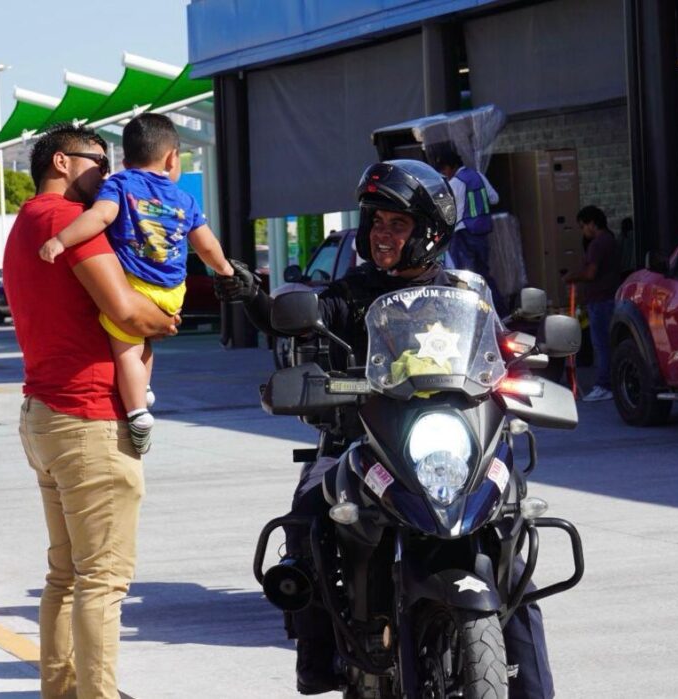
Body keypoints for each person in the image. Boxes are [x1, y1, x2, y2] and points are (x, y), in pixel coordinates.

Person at [217, 159, 555, 698]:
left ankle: (535, 690)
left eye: (397, 224)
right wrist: (251, 294)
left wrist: (524, 350)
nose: (382, 234)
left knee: (511, 548)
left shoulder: (467, 292)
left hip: (453, 444)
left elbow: (497, 350)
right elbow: (292, 318)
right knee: (309, 509)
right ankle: (317, 654)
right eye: (377, 222)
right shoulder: (354, 291)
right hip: (361, 438)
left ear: (430, 232)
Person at [3, 122, 179, 699]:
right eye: (98, 162)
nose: (109, 174)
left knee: (66, 576)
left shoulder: (27, 222)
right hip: (88, 419)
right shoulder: (64, 220)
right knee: (103, 581)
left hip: (46, 414)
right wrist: (166, 320)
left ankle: (61, 692)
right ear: (62, 161)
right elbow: (127, 311)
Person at [38, 113, 234, 454]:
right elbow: (206, 246)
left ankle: (137, 412)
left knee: (126, 348)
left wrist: (60, 241)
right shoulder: (185, 199)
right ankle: (142, 388)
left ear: (125, 159)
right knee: (145, 342)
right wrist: (226, 270)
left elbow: (100, 216)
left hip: (135, 284)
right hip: (173, 292)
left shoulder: (120, 184)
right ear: (172, 158)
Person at [432, 146, 506, 314]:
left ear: (451, 166)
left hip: (462, 235)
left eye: (444, 170)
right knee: (483, 276)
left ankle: (473, 314)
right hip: (481, 234)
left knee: (465, 278)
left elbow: (446, 212)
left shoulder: (454, 183)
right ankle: (499, 311)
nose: (445, 174)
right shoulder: (478, 176)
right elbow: (494, 198)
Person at [563, 205, 621, 402]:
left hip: (600, 300)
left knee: (601, 345)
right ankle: (611, 383)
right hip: (608, 298)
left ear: (592, 223)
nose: (583, 231)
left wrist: (571, 277)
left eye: (583, 226)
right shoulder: (611, 239)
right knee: (607, 344)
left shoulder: (598, 244)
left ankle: (604, 385)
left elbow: (590, 273)